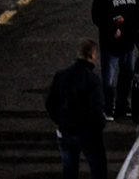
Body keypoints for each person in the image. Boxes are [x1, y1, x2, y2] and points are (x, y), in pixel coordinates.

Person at [46, 38, 107, 179]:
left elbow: (50, 103)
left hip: (65, 129)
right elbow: (97, 109)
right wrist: (99, 126)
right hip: (87, 132)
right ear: (92, 55)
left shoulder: (61, 75)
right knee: (98, 169)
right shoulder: (92, 79)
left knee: (69, 170)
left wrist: (60, 120)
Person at [90, 0, 139, 120]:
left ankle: (122, 106)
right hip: (111, 45)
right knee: (108, 80)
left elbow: (137, 14)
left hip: (128, 44)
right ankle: (108, 108)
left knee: (127, 76)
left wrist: (135, 34)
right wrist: (112, 29)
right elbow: (97, 16)